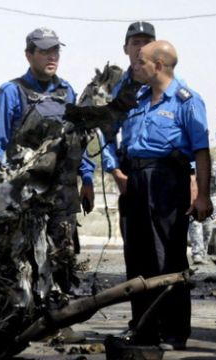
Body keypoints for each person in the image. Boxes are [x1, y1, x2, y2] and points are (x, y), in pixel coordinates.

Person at [0, 27, 93, 343]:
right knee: (23, 257)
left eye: (56, 50)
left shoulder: (67, 92)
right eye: (44, 51)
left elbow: (78, 139)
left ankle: (59, 319)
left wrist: (87, 178)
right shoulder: (12, 92)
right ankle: (24, 319)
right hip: (25, 192)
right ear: (29, 55)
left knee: (62, 253)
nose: (52, 56)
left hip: (62, 192)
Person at [120, 40, 213, 351]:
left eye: (141, 61)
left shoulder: (187, 101)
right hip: (136, 179)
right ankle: (143, 327)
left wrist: (202, 195)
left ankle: (173, 331)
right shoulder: (140, 99)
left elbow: (201, 152)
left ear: (158, 65)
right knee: (137, 256)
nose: (135, 65)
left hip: (166, 180)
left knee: (167, 257)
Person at [90, 21, 157, 242]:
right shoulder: (119, 90)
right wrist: (115, 171)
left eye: (147, 43)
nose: (141, 48)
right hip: (130, 174)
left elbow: (190, 135)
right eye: (136, 43)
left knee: (164, 253)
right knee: (135, 248)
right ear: (126, 49)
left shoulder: (171, 85)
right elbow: (107, 132)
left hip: (164, 174)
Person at [188, 160, 216, 264]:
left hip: (211, 199)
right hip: (194, 198)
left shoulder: (213, 164)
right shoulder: (190, 162)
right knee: (195, 226)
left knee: (208, 230)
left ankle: (203, 253)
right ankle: (197, 254)